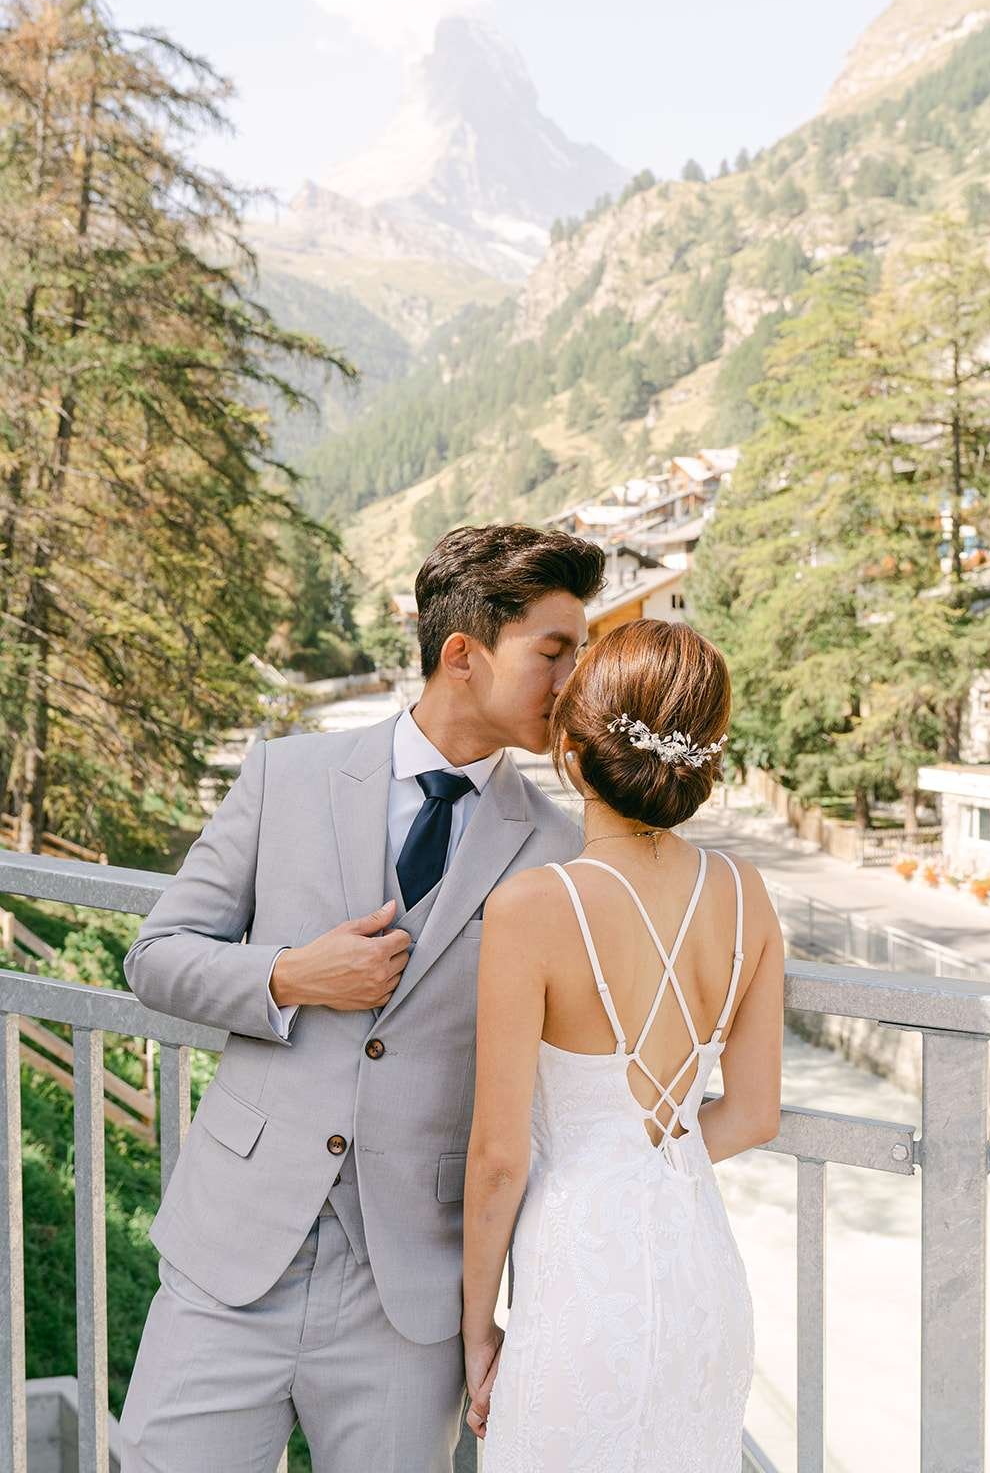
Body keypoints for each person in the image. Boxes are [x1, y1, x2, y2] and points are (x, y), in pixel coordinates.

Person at [118, 523, 605, 1473]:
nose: (573, 681)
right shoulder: (285, 775)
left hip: (410, 1296)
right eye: (554, 652)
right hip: (231, 1259)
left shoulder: (560, 851)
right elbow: (156, 959)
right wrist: (288, 976)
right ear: (461, 654)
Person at [461, 618, 785, 1470]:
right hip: (700, 1273)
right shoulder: (745, 893)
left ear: (571, 753)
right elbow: (752, 1115)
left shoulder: (532, 907)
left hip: (579, 1278)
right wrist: (645, 1158)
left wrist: (476, 1330)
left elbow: (498, 1158)